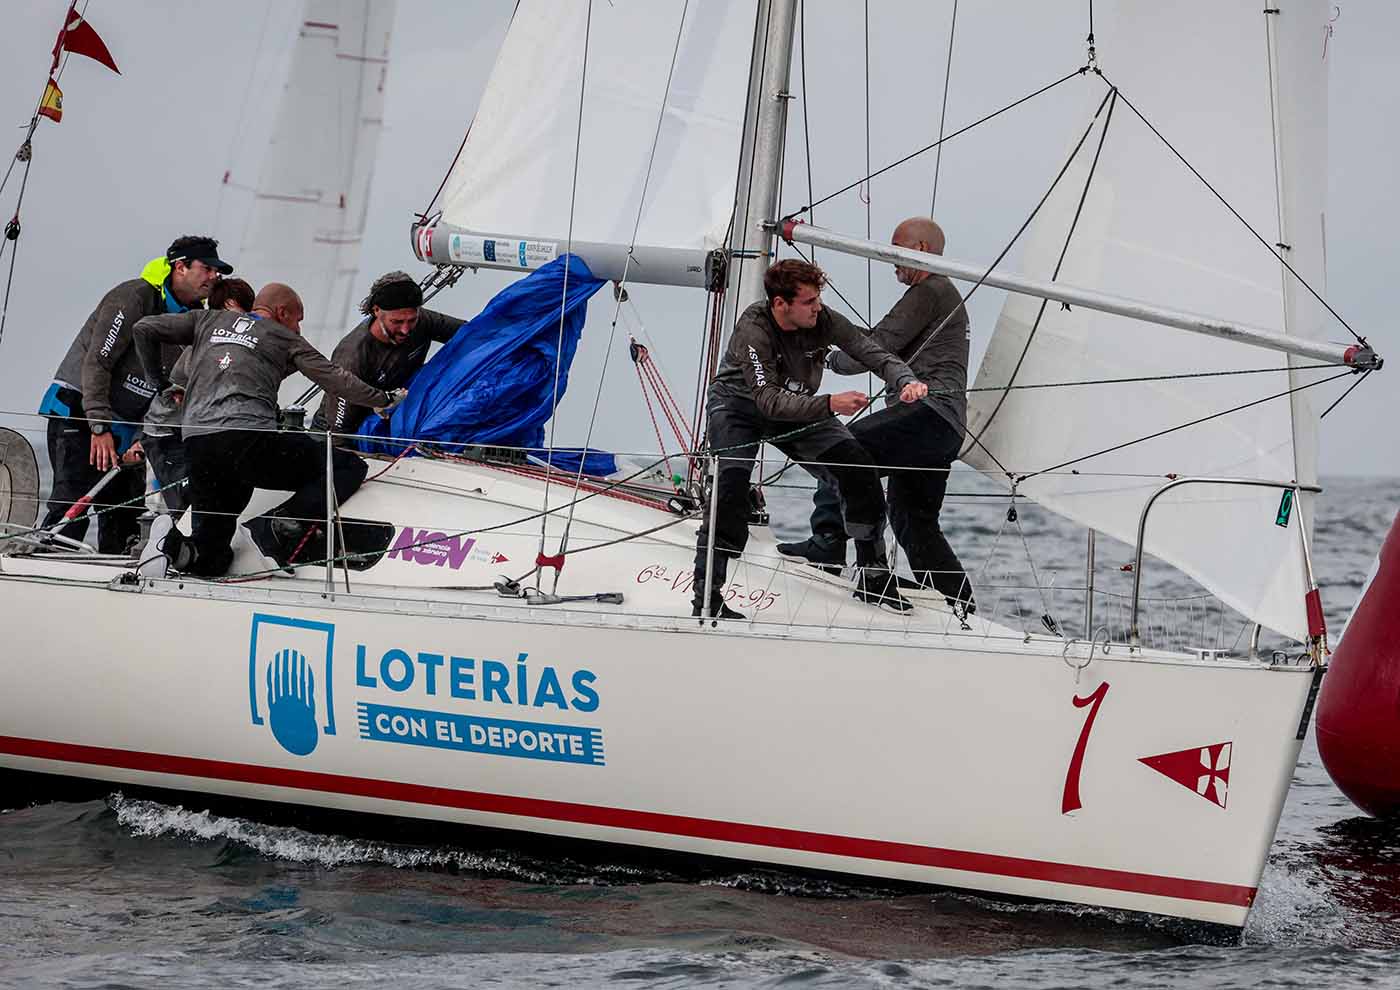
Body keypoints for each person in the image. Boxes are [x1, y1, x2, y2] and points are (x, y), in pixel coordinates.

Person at [693, 259, 929, 620]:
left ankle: (874, 576)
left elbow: (874, 353)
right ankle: (707, 595)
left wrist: (905, 381)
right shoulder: (754, 329)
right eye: (809, 302)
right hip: (739, 407)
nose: (817, 307)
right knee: (731, 486)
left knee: (858, 468)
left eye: (818, 299)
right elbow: (768, 400)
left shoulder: (825, 319)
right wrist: (830, 404)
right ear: (780, 304)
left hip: (799, 407)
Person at [133, 283, 404, 577]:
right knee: (346, 466)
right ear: (282, 312)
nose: (299, 329)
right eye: (298, 319)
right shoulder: (283, 337)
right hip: (248, 440)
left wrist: (158, 383)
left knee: (212, 555)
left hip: (198, 445)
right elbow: (335, 379)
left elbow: (145, 329)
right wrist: (383, 400)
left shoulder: (206, 320)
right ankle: (277, 527)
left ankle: (170, 546)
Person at [778, 217, 976, 613]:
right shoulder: (943, 295)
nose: (891, 260)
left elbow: (878, 345)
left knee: (842, 450)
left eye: (896, 249)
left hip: (926, 414)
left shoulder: (930, 289)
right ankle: (957, 605)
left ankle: (829, 544)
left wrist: (826, 358)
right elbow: (881, 341)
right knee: (912, 517)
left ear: (919, 250)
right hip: (946, 429)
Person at [37, 235, 229, 552]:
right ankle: (46, 568)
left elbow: (173, 387)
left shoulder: (194, 318)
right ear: (180, 267)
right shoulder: (134, 297)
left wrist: (142, 436)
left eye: (217, 271)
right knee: (71, 509)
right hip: (80, 409)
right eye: (207, 269)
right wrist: (98, 426)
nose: (214, 277)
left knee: (124, 517)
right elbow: (97, 362)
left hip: (129, 424)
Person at [142, 277, 255, 514]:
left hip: (195, 431)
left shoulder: (225, 342)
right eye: (243, 314)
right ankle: (176, 544)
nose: (246, 322)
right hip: (167, 432)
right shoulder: (210, 342)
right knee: (189, 504)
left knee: (213, 499)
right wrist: (160, 384)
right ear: (229, 305)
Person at [310, 271, 464, 444]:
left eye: (411, 320)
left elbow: (473, 334)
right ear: (376, 311)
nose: (406, 329)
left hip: (390, 420)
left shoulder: (423, 321)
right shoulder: (353, 355)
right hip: (334, 434)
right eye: (397, 322)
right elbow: (339, 432)